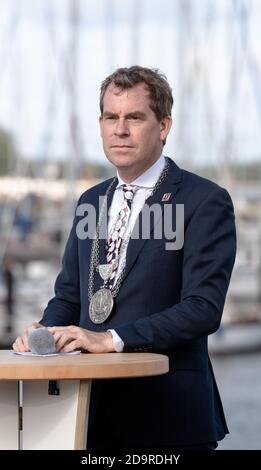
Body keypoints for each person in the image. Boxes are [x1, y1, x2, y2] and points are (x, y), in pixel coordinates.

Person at [13, 66, 236, 451]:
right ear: (100, 124)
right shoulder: (91, 201)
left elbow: (202, 309)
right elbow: (69, 297)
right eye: (111, 117)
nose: (120, 130)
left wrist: (110, 339)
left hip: (168, 420)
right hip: (85, 417)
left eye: (134, 117)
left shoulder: (204, 201)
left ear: (164, 126)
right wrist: (43, 336)